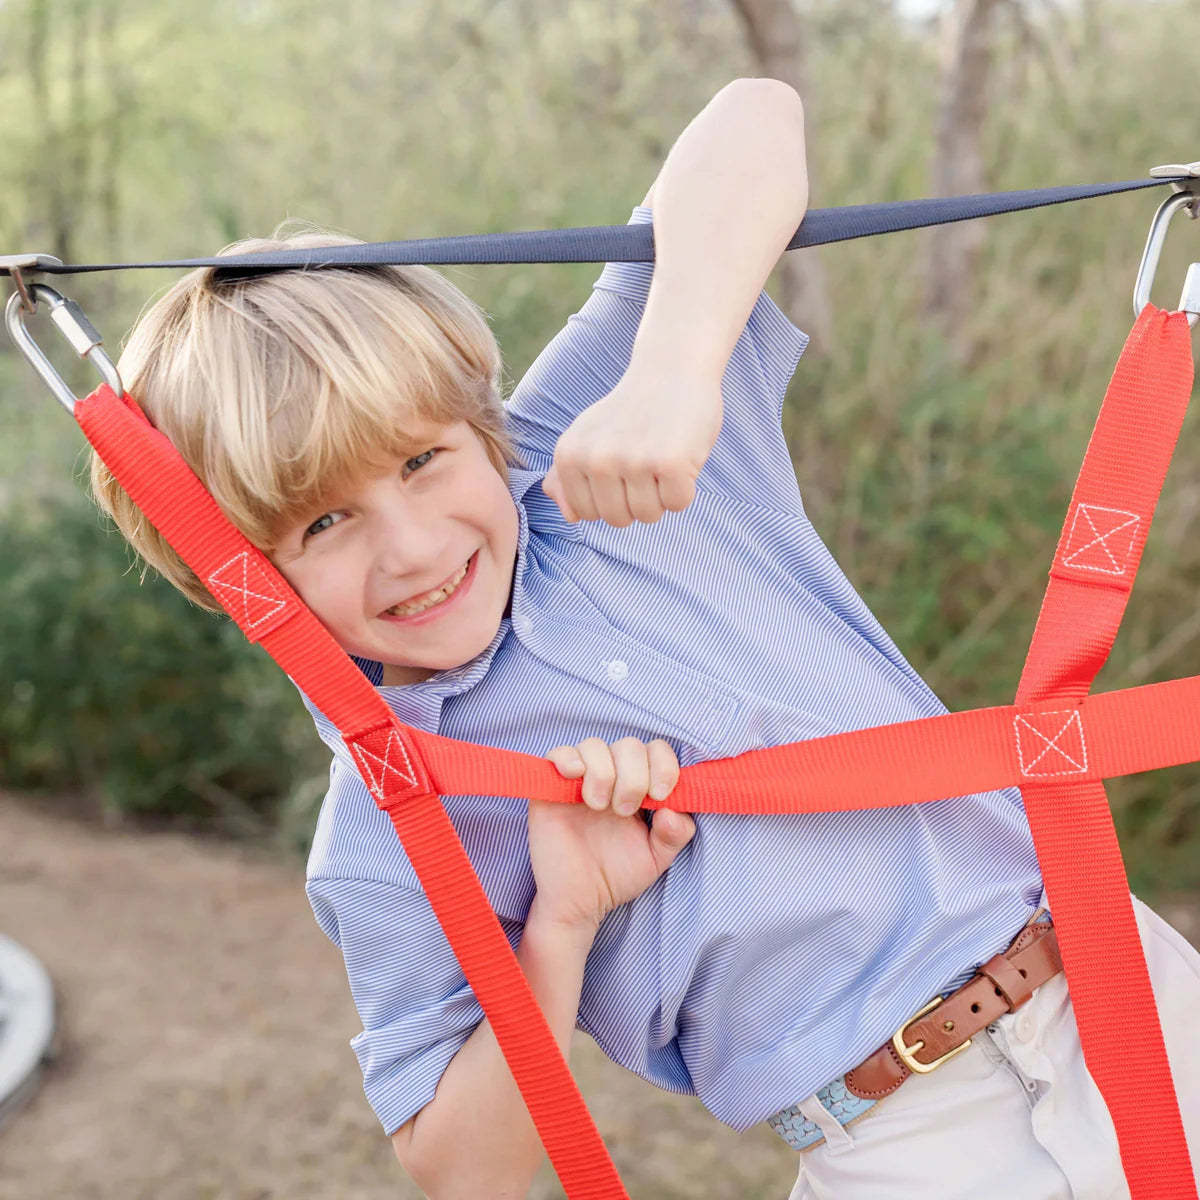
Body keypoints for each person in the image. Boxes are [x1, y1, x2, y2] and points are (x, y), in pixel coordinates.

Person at [89, 79, 1199, 1199]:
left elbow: (756, 115)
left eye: (424, 461)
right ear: (238, 581)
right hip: (907, 1145)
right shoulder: (386, 826)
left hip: (1128, 983)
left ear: (479, 424)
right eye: (323, 523)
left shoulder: (591, 446)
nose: (414, 549)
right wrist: (561, 926)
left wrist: (674, 369)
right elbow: (463, 1173)